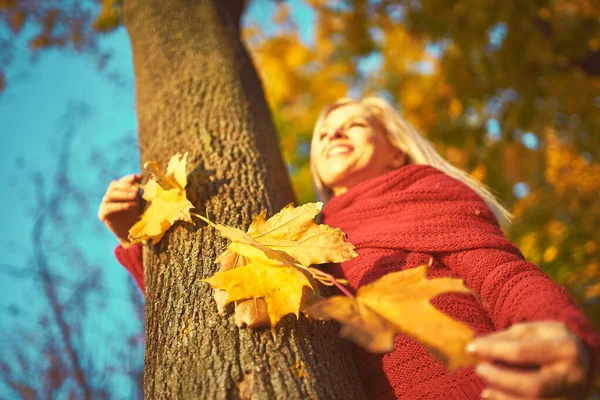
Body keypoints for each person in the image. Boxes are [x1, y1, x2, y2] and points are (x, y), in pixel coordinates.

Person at [99, 97, 598, 400]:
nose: (334, 131)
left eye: (354, 124)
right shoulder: (302, 230)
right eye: (321, 133)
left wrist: (561, 334)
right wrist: (137, 237)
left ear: (395, 147)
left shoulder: (427, 192)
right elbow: (216, 308)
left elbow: (504, 278)